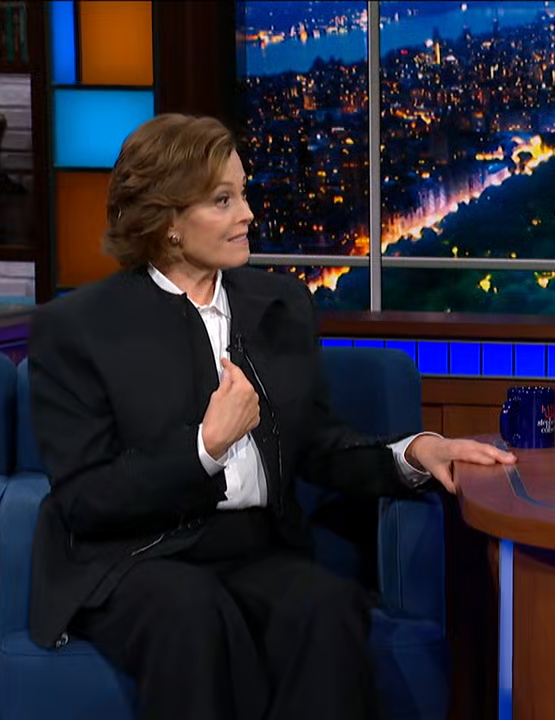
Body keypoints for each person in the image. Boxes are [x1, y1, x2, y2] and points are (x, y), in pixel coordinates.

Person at [26, 113, 517, 720]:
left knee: (326, 609)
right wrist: (205, 446)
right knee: (192, 617)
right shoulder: (80, 329)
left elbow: (318, 444)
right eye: (223, 200)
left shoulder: (280, 306)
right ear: (168, 221)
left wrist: (415, 453)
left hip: (256, 548)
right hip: (137, 557)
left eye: (244, 193)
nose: (249, 213)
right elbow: (85, 499)